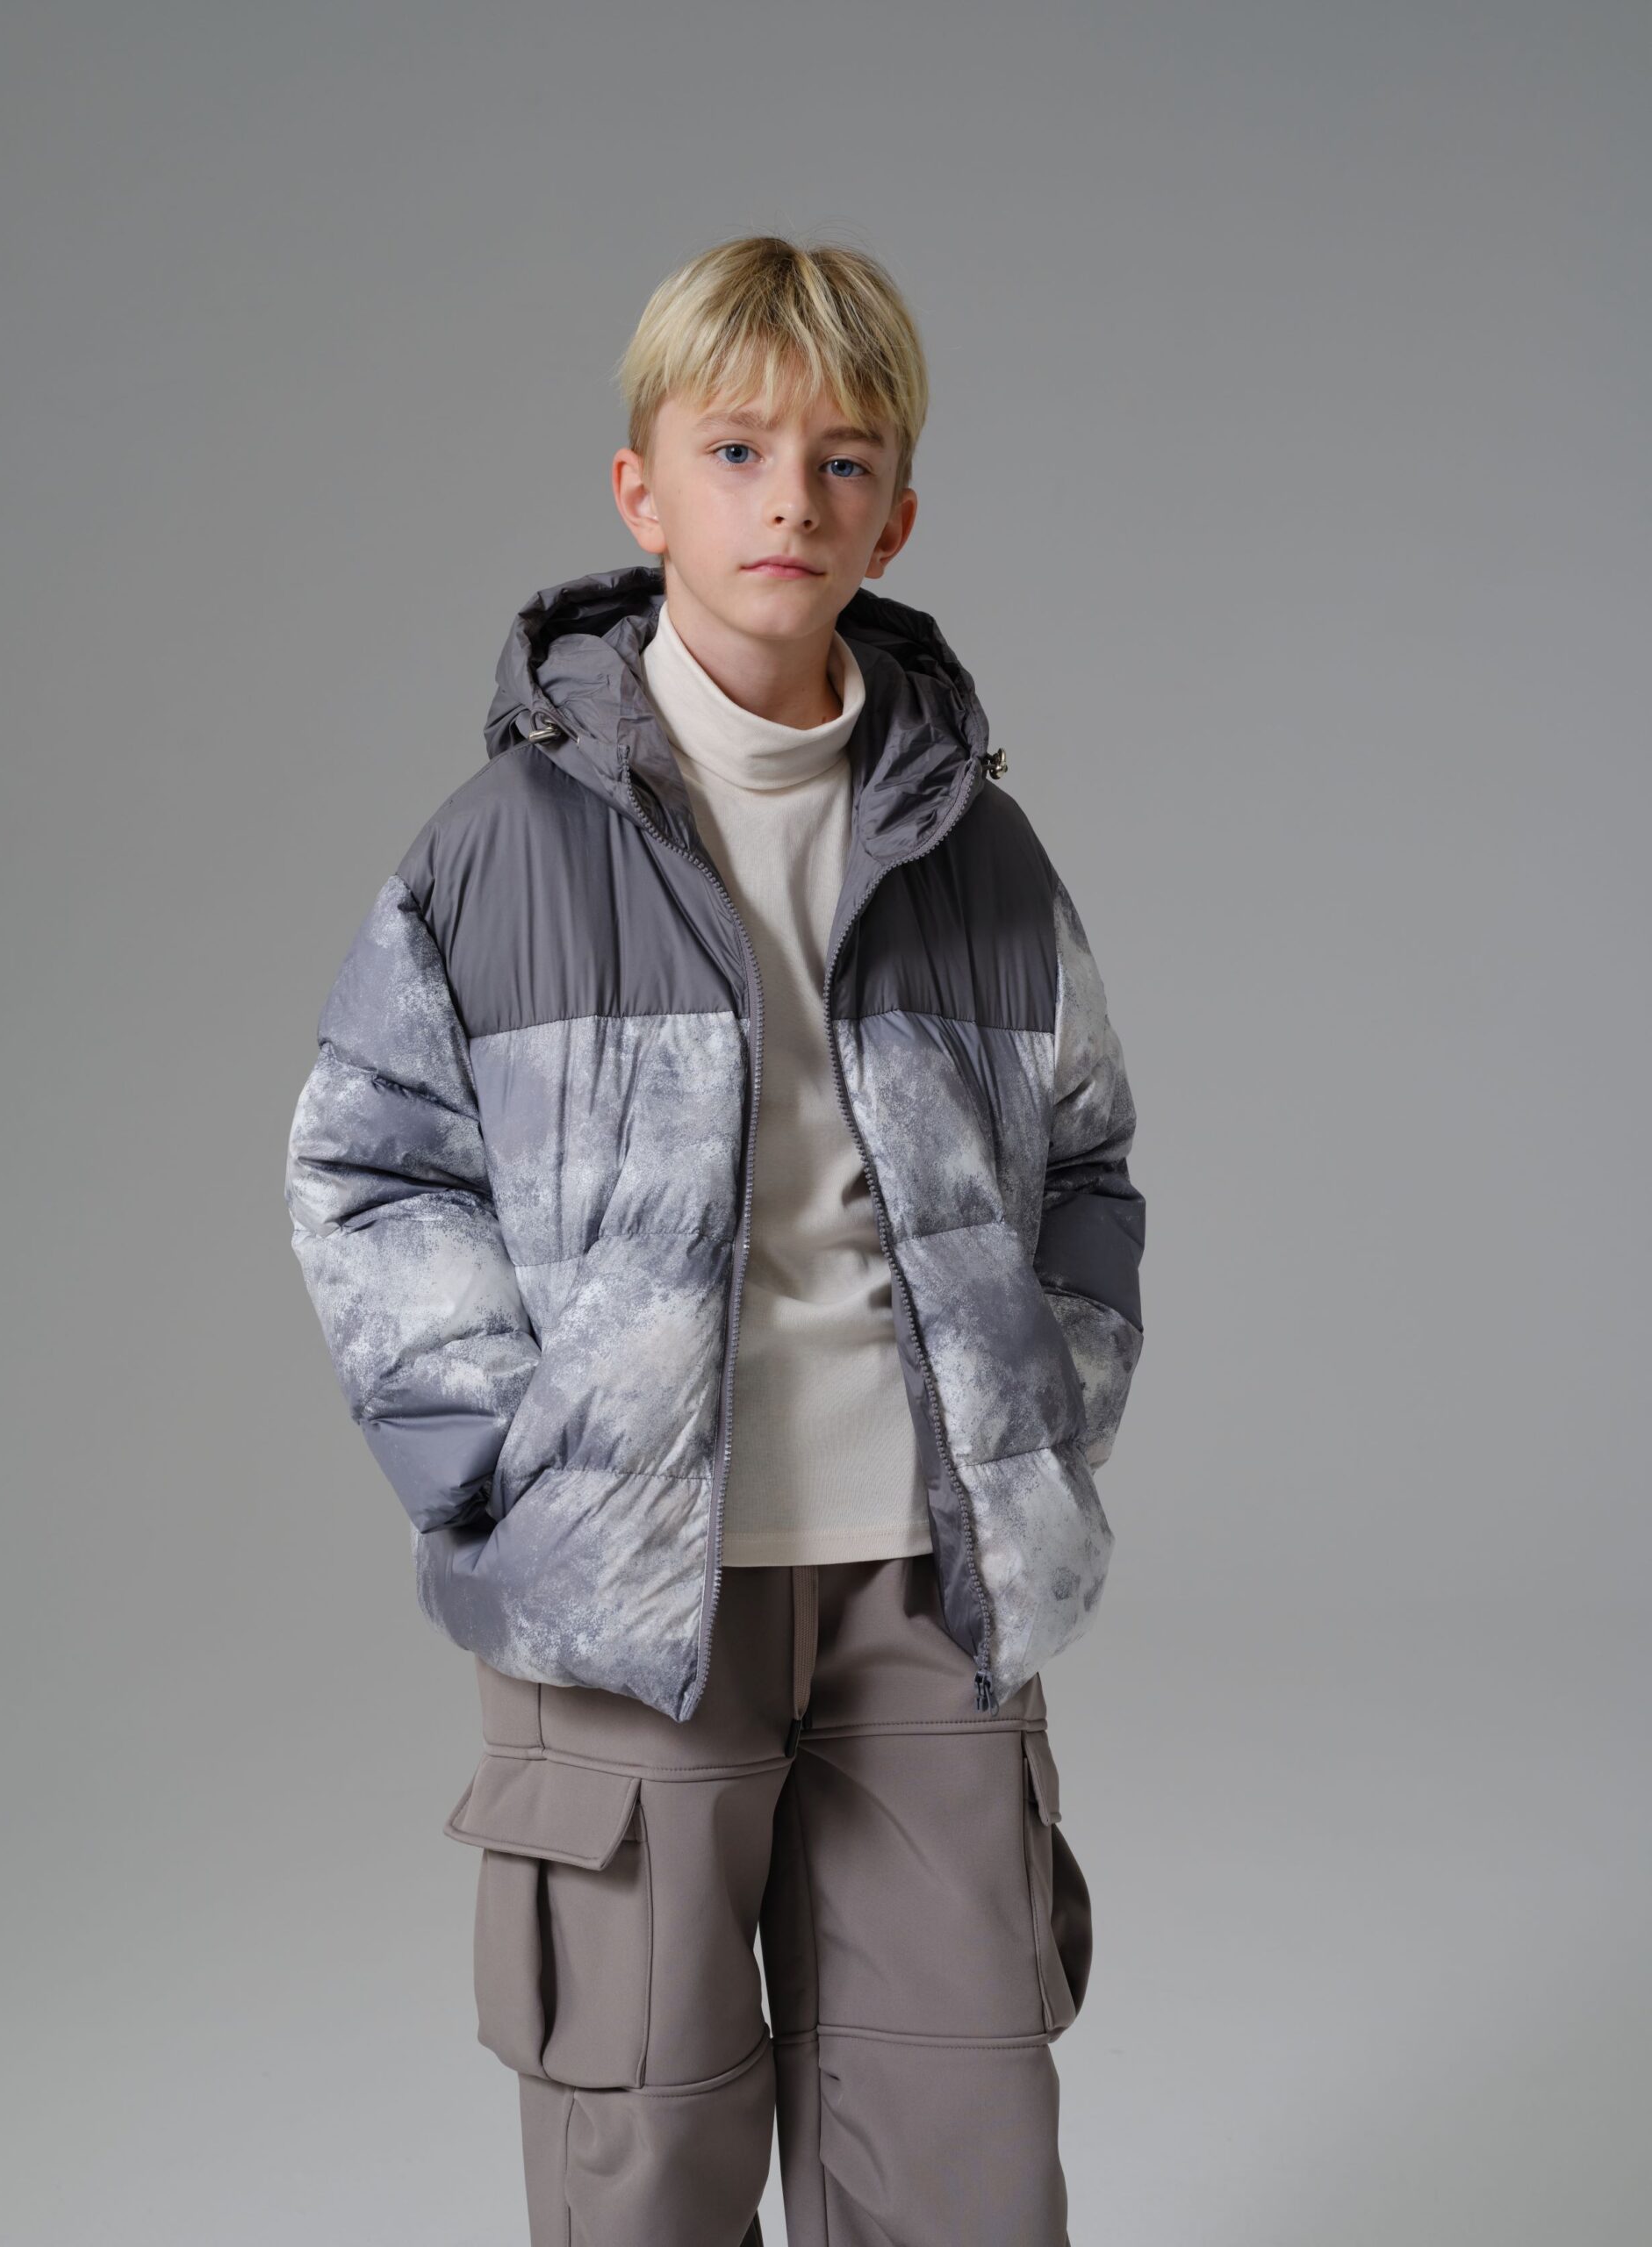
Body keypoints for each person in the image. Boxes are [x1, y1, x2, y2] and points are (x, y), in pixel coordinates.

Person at [284, 232, 1146, 2246]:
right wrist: (519, 1459)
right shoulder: (499, 848)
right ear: (641, 491)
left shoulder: (977, 848)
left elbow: (1089, 1161)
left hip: (930, 1585)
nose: (791, 499)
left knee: (965, 2141)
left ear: (896, 514)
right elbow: (366, 1165)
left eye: (844, 461)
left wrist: (1044, 1407)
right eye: (738, 449)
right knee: (646, 2150)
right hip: (631, 1602)